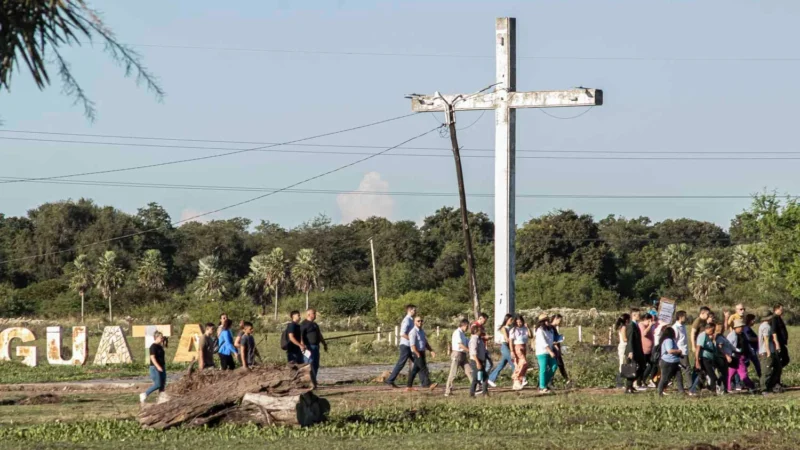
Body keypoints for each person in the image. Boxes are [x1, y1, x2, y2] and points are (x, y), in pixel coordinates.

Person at [386, 304, 416, 388]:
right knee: (401, 363)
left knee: (418, 361)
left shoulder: (411, 320)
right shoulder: (407, 320)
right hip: (406, 345)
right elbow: (402, 333)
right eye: (414, 310)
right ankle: (390, 380)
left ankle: (426, 382)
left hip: (409, 345)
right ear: (409, 310)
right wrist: (411, 339)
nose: (415, 311)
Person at [406, 316, 437, 391]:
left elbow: (425, 342)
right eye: (418, 321)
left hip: (422, 352)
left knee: (415, 370)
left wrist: (431, 350)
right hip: (416, 352)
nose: (420, 322)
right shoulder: (413, 332)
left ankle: (409, 386)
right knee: (424, 368)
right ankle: (429, 384)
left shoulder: (421, 331)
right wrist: (417, 354)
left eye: (421, 321)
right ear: (414, 322)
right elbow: (412, 345)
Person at [445, 319, 473, 397]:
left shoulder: (462, 334)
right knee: (453, 373)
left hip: (463, 354)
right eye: (467, 326)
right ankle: (448, 391)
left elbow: (467, 342)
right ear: (464, 325)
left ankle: (475, 387)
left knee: (469, 371)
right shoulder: (457, 333)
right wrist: (469, 351)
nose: (468, 328)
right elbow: (460, 345)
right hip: (457, 354)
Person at [300, 308, 327, 389]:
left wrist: (324, 343)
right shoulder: (304, 324)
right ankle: (307, 383)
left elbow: (319, 334)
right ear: (309, 314)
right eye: (314, 313)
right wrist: (302, 345)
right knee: (309, 364)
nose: (315, 315)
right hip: (308, 347)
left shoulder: (315, 324)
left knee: (315, 365)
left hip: (316, 347)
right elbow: (300, 336)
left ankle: (314, 381)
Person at [726, 319, 755, 392]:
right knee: (742, 373)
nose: (741, 328)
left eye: (742, 326)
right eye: (739, 327)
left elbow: (746, 344)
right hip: (736, 357)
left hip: (741, 356)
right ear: (735, 327)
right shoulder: (731, 335)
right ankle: (751, 386)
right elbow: (728, 346)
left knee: (730, 374)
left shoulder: (742, 334)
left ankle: (728, 388)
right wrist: (734, 352)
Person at [488, 314, 515, 388]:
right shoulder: (504, 328)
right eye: (510, 320)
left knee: (501, 365)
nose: (512, 321)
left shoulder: (510, 328)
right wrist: (512, 340)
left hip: (508, 346)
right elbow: (506, 338)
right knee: (513, 363)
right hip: (505, 346)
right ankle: (517, 380)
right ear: (507, 320)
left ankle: (491, 378)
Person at [656, 326, 685, 396]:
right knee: (664, 378)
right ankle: (659, 392)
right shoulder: (668, 340)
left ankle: (681, 392)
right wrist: (679, 351)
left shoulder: (669, 340)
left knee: (679, 377)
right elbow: (670, 350)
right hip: (668, 362)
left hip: (674, 361)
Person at [140, 331, 167, 404]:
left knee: (162, 384)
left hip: (162, 366)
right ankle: (144, 394)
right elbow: (152, 358)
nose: (162, 339)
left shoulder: (160, 346)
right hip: (155, 368)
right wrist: (158, 367)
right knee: (158, 384)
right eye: (161, 337)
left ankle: (161, 399)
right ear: (156, 337)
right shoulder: (153, 347)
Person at [534, 313, 557, 394]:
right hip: (542, 352)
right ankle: (542, 387)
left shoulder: (550, 330)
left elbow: (551, 340)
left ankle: (543, 383)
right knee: (543, 369)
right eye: (545, 320)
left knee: (554, 366)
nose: (547, 322)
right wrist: (550, 351)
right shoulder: (540, 330)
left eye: (548, 320)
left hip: (549, 351)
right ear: (542, 322)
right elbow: (543, 342)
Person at [625, 308, 646, 394]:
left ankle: (630, 385)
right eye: (638, 314)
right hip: (633, 351)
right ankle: (629, 387)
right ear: (633, 315)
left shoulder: (636, 325)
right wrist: (630, 351)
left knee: (642, 366)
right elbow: (630, 339)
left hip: (638, 350)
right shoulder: (631, 325)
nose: (639, 316)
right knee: (631, 368)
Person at [759, 314, 781, 394]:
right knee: (766, 371)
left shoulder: (767, 326)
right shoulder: (766, 326)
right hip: (766, 352)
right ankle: (764, 389)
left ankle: (771, 386)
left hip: (771, 351)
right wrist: (768, 352)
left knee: (778, 368)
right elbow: (766, 339)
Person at [510, 315, 532, 390]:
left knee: (520, 365)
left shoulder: (525, 328)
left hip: (524, 346)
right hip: (517, 346)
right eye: (517, 322)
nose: (519, 323)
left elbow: (530, 336)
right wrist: (512, 351)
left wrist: (528, 327)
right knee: (523, 362)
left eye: (520, 322)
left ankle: (518, 381)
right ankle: (516, 377)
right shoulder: (513, 330)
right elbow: (511, 341)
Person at [770, 304, 788, 391]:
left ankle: (776, 380)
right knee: (778, 364)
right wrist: (777, 343)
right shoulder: (774, 318)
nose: (782, 310)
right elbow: (774, 332)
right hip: (778, 344)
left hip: (782, 343)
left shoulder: (779, 318)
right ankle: (774, 382)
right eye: (781, 309)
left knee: (785, 360)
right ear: (776, 309)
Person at [550, 314, 571, 388]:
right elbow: (551, 339)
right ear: (555, 319)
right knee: (556, 365)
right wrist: (556, 344)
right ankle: (550, 382)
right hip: (554, 350)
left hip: (556, 349)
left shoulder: (554, 328)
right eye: (559, 320)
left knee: (560, 365)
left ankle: (566, 380)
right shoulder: (551, 328)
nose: (560, 322)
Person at [671, 311, 690, 388]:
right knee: (686, 369)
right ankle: (690, 386)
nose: (686, 317)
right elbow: (674, 340)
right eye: (684, 316)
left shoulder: (683, 326)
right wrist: (677, 351)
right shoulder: (675, 327)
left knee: (684, 368)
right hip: (680, 351)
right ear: (680, 317)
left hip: (684, 349)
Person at [468, 324, 487, 397]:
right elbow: (473, 352)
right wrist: (477, 362)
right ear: (476, 331)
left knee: (485, 377)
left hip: (481, 360)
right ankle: (471, 394)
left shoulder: (479, 339)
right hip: (476, 361)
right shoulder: (474, 339)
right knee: (476, 378)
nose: (481, 331)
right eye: (479, 330)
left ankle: (485, 393)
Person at [638, 313, 656, 388]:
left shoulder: (649, 326)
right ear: (645, 319)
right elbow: (644, 333)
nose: (650, 322)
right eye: (649, 321)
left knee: (653, 364)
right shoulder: (641, 325)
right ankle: (639, 382)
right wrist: (650, 325)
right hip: (643, 350)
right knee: (642, 366)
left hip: (650, 350)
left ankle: (644, 379)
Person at [743, 314, 761, 379]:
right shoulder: (746, 328)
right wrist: (759, 339)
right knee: (756, 364)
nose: (754, 321)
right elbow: (749, 338)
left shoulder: (747, 328)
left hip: (751, 349)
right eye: (753, 319)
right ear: (750, 320)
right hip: (750, 349)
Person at [615, 313, 630, 389]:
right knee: (622, 364)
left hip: (622, 346)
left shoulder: (621, 327)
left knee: (624, 363)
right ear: (627, 320)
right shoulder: (623, 327)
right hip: (623, 346)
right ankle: (619, 383)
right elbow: (624, 339)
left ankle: (622, 382)